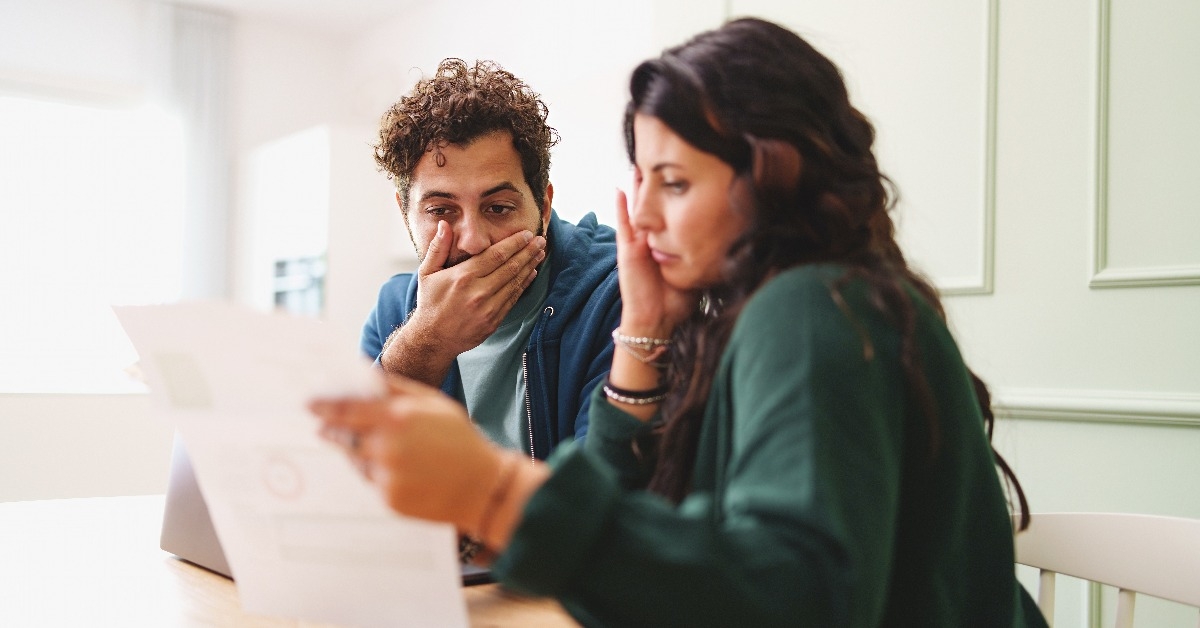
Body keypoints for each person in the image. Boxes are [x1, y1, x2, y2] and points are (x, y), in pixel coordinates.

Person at [314, 18, 1048, 628]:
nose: (646, 214)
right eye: (646, 182)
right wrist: (642, 334)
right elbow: (652, 552)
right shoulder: (760, 311)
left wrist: (496, 494)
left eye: (675, 183)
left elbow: (800, 598)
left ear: (774, 175)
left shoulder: (813, 309)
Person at [361, 58, 621, 462]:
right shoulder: (396, 310)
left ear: (544, 205)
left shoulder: (614, 296)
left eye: (498, 208)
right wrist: (426, 341)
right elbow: (350, 478)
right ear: (405, 214)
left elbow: (602, 503)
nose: (473, 241)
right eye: (441, 211)